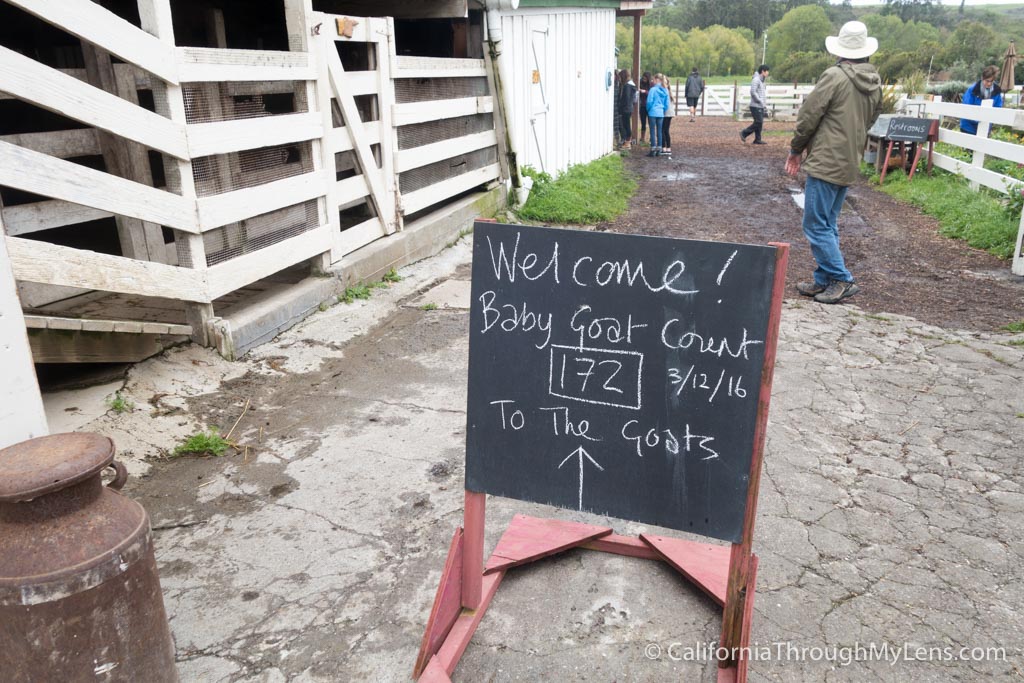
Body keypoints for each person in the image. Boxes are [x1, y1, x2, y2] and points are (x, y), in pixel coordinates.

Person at [785, 21, 882, 305]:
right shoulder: (875, 82)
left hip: (826, 159)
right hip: (850, 159)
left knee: (815, 224)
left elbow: (809, 115)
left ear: (841, 50)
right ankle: (824, 279)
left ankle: (841, 278)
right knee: (828, 222)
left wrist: (796, 149)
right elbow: (871, 120)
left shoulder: (834, 76)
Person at [960, 66, 1003, 135]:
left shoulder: (997, 91)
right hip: (968, 127)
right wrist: (980, 120)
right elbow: (967, 108)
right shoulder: (972, 90)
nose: (989, 84)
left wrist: (988, 119)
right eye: (987, 81)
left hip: (985, 127)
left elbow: (998, 108)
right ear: (982, 78)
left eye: (991, 81)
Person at [740, 65, 769, 145]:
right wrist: (760, 101)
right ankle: (744, 133)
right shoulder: (756, 80)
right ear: (762, 71)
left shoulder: (761, 81)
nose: (768, 73)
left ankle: (757, 139)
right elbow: (753, 92)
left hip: (759, 105)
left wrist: (763, 103)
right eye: (767, 71)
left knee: (759, 122)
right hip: (755, 105)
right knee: (759, 122)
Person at [645, 75, 669, 157]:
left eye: (653, 79)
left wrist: (648, 109)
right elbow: (667, 103)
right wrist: (663, 110)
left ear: (657, 80)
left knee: (652, 130)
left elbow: (649, 101)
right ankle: (659, 149)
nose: (652, 81)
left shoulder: (653, 89)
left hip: (652, 112)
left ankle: (653, 149)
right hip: (661, 112)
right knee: (659, 131)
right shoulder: (665, 90)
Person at [618, 69, 637, 149]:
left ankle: (628, 142)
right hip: (629, 108)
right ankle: (627, 141)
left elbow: (626, 98)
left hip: (626, 108)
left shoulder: (627, 86)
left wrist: (621, 106)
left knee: (626, 125)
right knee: (626, 124)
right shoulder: (631, 85)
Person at [661, 75, 675, 157]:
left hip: (665, 113)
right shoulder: (669, 91)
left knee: (662, 130)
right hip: (670, 113)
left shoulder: (664, 90)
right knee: (666, 130)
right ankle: (668, 147)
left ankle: (663, 148)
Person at [638, 72, 652, 144]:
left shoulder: (651, 85)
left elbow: (652, 93)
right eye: (643, 78)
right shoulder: (640, 83)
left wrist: (645, 91)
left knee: (651, 123)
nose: (644, 80)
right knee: (643, 123)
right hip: (642, 105)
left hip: (649, 106)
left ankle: (651, 138)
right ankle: (642, 138)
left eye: (645, 79)